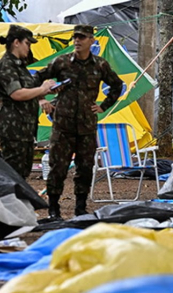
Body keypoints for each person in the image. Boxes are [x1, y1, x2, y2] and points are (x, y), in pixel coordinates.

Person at [35, 25, 123, 220]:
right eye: (75, 37)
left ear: (91, 40)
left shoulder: (100, 65)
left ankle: (80, 208)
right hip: (62, 126)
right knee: (57, 166)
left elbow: (117, 86)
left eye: (82, 37)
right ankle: (53, 209)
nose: (77, 41)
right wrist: (42, 99)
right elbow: (35, 78)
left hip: (86, 127)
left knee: (84, 168)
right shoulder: (62, 62)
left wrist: (104, 106)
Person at [0, 25, 56, 178]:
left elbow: (30, 86)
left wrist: (46, 88)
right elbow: (17, 93)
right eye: (27, 44)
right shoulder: (7, 65)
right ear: (16, 43)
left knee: (22, 172)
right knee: (14, 174)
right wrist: (42, 90)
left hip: (24, 128)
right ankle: (9, 201)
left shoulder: (19, 65)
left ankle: (18, 201)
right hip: (13, 128)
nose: (29, 48)